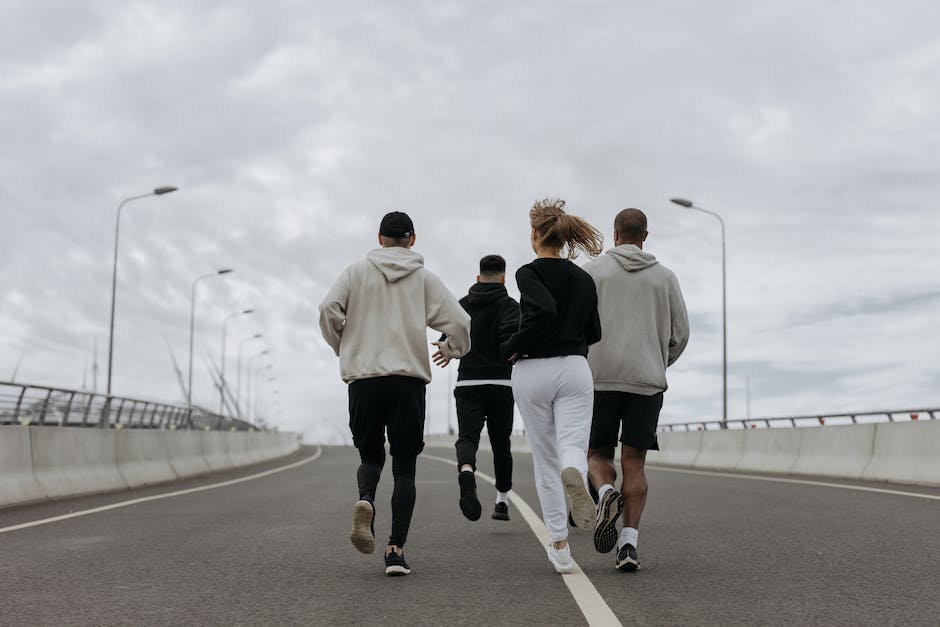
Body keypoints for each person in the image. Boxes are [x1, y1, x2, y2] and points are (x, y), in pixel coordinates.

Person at [318, 211, 471, 576]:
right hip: (407, 382)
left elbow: (328, 309)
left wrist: (343, 346)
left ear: (379, 238)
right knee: (404, 468)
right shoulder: (423, 279)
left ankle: (365, 499)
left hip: (365, 379)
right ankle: (395, 551)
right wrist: (452, 349)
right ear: (412, 240)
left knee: (370, 457)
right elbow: (462, 323)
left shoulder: (356, 272)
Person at [499, 198, 604, 574]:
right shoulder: (584, 278)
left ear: (534, 234)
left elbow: (542, 311)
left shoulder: (529, 272)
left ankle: (559, 544)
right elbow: (595, 331)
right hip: (575, 367)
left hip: (533, 370)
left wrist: (513, 345)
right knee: (572, 444)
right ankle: (575, 470)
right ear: (562, 236)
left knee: (544, 457)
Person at [583, 208, 689, 572]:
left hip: (600, 379)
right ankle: (628, 544)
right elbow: (681, 334)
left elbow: (577, 323)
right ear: (646, 235)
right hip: (646, 381)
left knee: (597, 455)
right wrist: (658, 362)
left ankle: (605, 493)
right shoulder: (665, 277)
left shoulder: (593, 271)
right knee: (635, 462)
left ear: (615, 235)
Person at [432, 255, 520, 522]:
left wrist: (448, 351)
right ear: (503, 278)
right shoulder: (510, 306)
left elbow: (447, 339)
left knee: (467, 438)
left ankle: (467, 471)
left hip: (468, 382)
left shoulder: (462, 306)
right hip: (501, 384)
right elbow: (512, 342)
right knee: (501, 445)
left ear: (478, 277)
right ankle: (502, 502)